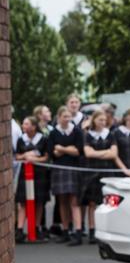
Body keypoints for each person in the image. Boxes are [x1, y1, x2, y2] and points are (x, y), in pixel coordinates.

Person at [80, 109, 120, 243]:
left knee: (109, 202)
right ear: (94, 120)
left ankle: (107, 230)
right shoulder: (88, 135)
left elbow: (114, 154)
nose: (102, 122)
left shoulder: (110, 134)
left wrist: (97, 152)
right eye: (100, 120)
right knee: (92, 203)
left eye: (104, 120)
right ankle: (92, 230)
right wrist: (105, 152)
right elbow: (88, 153)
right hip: (92, 172)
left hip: (107, 171)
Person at [47, 105, 85, 245]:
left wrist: (62, 148)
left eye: (69, 116)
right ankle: (65, 231)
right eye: (64, 117)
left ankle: (78, 232)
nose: (67, 119)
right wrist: (69, 149)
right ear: (59, 117)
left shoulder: (76, 131)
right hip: (59, 169)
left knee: (74, 202)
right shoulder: (53, 133)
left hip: (73, 168)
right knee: (62, 201)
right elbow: (52, 152)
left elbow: (78, 151)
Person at [14, 115, 50, 242]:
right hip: (25, 173)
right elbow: (17, 156)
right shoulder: (21, 139)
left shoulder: (43, 139)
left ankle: (36, 227)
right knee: (23, 202)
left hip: (39, 174)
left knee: (39, 202)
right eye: (23, 124)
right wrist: (25, 155)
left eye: (26, 124)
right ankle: (19, 230)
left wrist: (35, 159)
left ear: (34, 127)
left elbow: (46, 157)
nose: (23, 126)